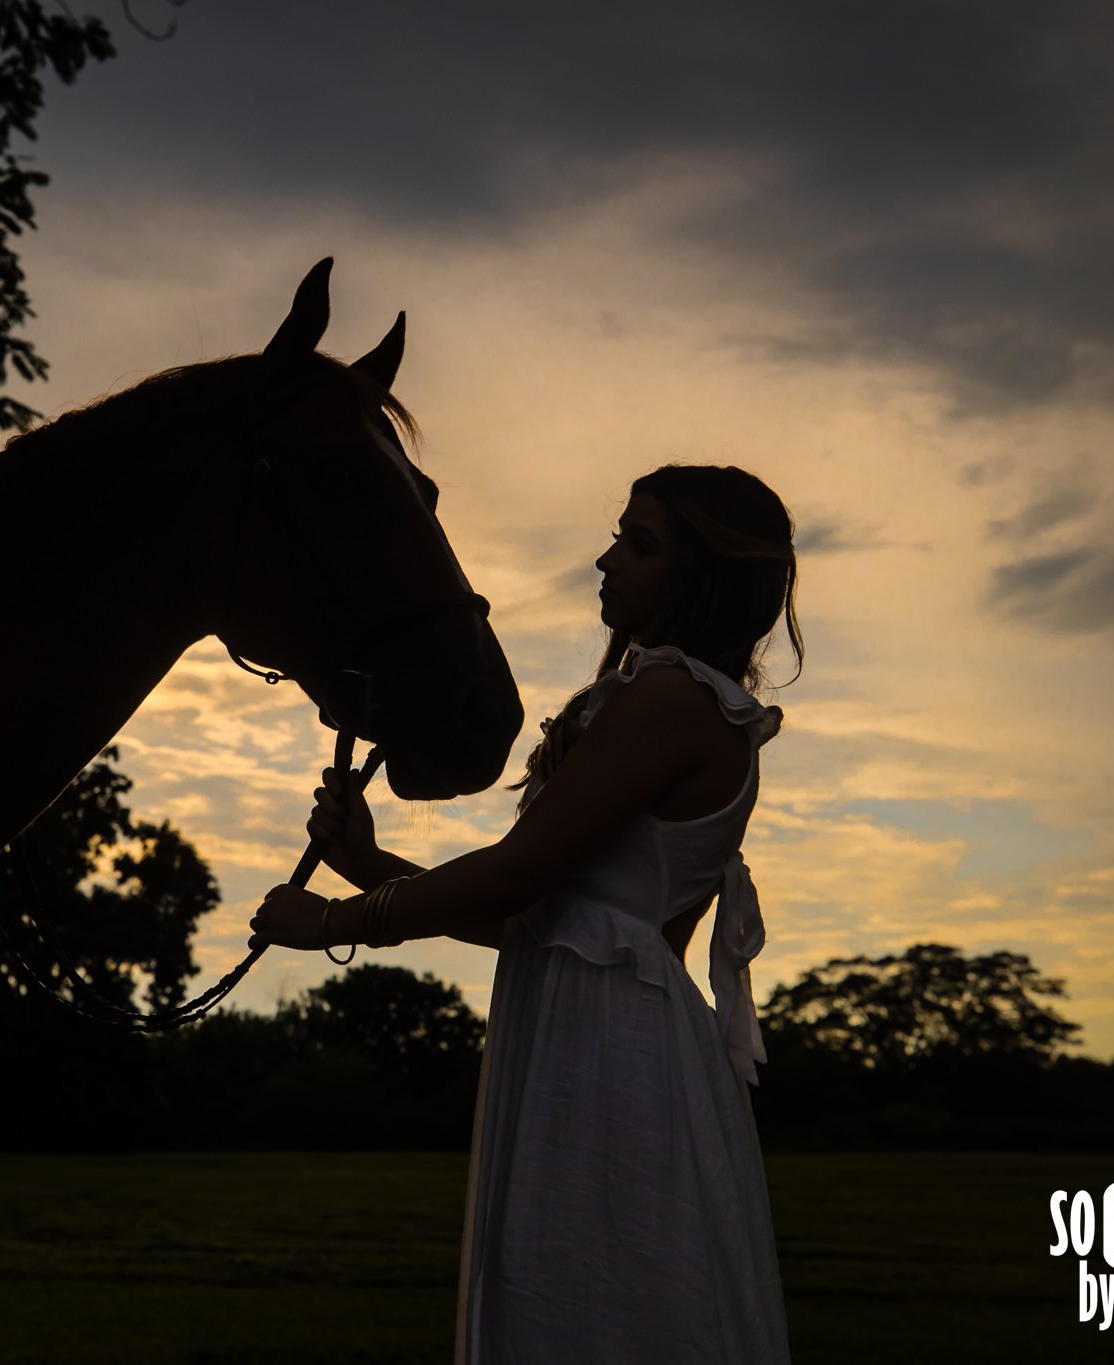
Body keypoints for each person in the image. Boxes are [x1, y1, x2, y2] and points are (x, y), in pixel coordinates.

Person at [248, 463, 803, 1363]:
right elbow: (546, 914)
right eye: (620, 534)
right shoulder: (661, 698)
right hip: (598, 1032)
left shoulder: (670, 699)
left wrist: (337, 922)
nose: (606, 558)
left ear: (702, 577)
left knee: (601, 1304)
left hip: (614, 1055)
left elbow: (512, 882)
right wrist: (366, 861)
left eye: (641, 543)